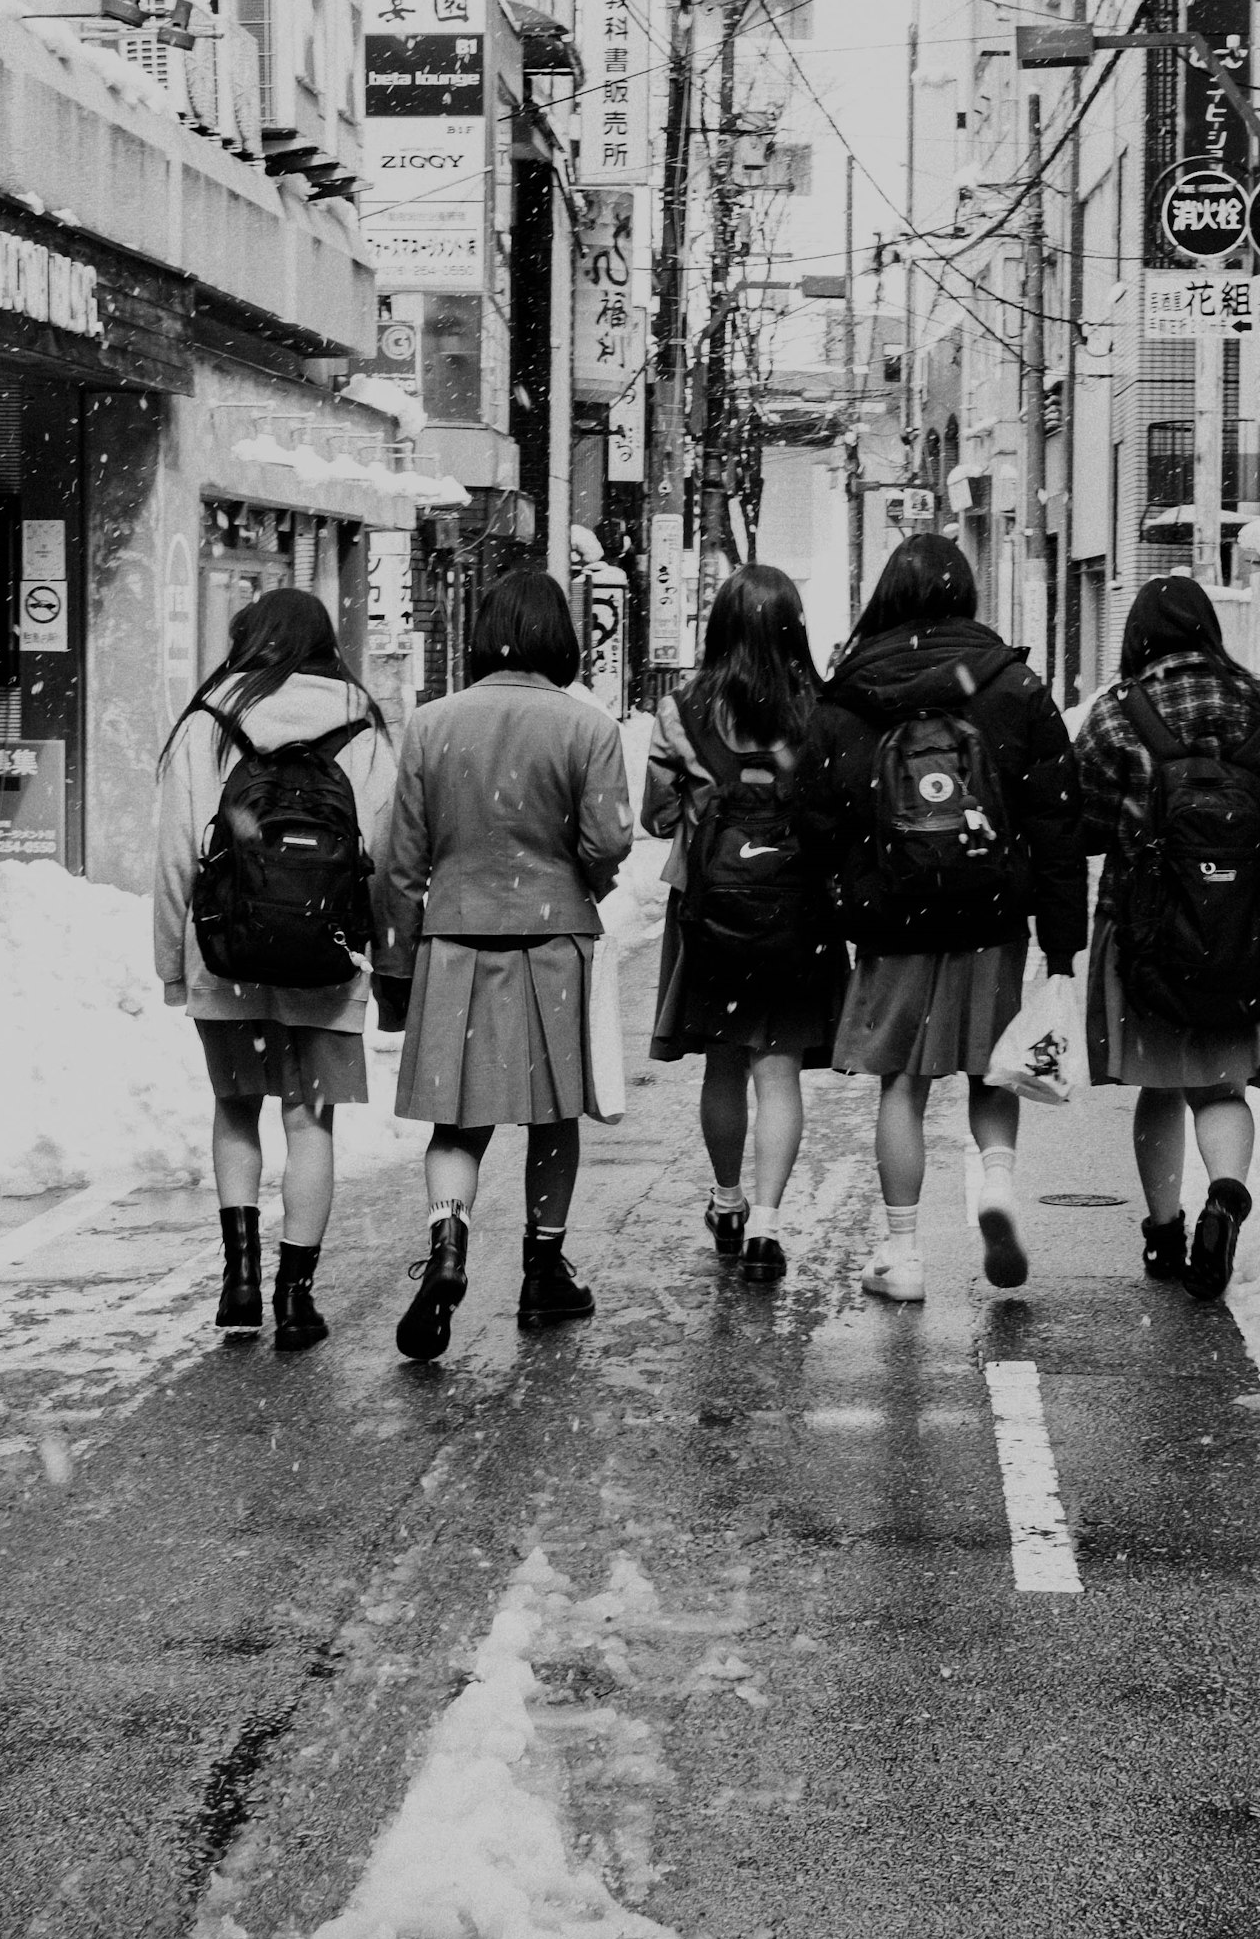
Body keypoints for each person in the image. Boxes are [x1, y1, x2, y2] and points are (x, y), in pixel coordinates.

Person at [810, 535, 1086, 1302]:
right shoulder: (1011, 684)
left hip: (892, 914)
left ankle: (904, 1253)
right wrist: (1063, 943)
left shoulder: (851, 691)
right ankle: (995, 1182)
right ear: (964, 592)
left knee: (902, 1081)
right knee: (990, 1064)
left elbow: (816, 816)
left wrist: (841, 897)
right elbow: (1059, 820)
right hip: (990, 911)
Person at [379, 569, 637, 1359]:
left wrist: (397, 969)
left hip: (455, 937)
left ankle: (450, 1239)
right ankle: (542, 1266)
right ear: (557, 636)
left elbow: (399, 862)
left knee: (458, 1118)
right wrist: (583, 877)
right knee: (553, 1113)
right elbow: (610, 839)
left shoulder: (429, 724)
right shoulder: (586, 727)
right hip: (554, 937)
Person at [152, 589, 398, 1352]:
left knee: (236, 1109)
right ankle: (296, 1296)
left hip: (226, 952)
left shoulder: (209, 720)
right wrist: (387, 958)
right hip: (325, 955)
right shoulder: (361, 723)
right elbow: (387, 857)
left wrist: (171, 960)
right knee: (308, 1117)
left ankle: (240, 1284)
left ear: (246, 638)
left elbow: (171, 856)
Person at [1074, 575, 1260, 1302]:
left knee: (1158, 1084)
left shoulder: (1119, 714)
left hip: (1148, 934)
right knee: (1219, 1086)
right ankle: (1225, 1197)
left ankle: (1163, 1234)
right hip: (1243, 935)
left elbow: (1086, 823)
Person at [642, 563, 843, 1285]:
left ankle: (726, 1201)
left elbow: (656, 814)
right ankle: (767, 1223)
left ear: (720, 625)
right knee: (778, 1065)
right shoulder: (820, 710)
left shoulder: (682, 708)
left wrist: (708, 803)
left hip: (711, 907)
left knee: (725, 1059)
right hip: (796, 908)